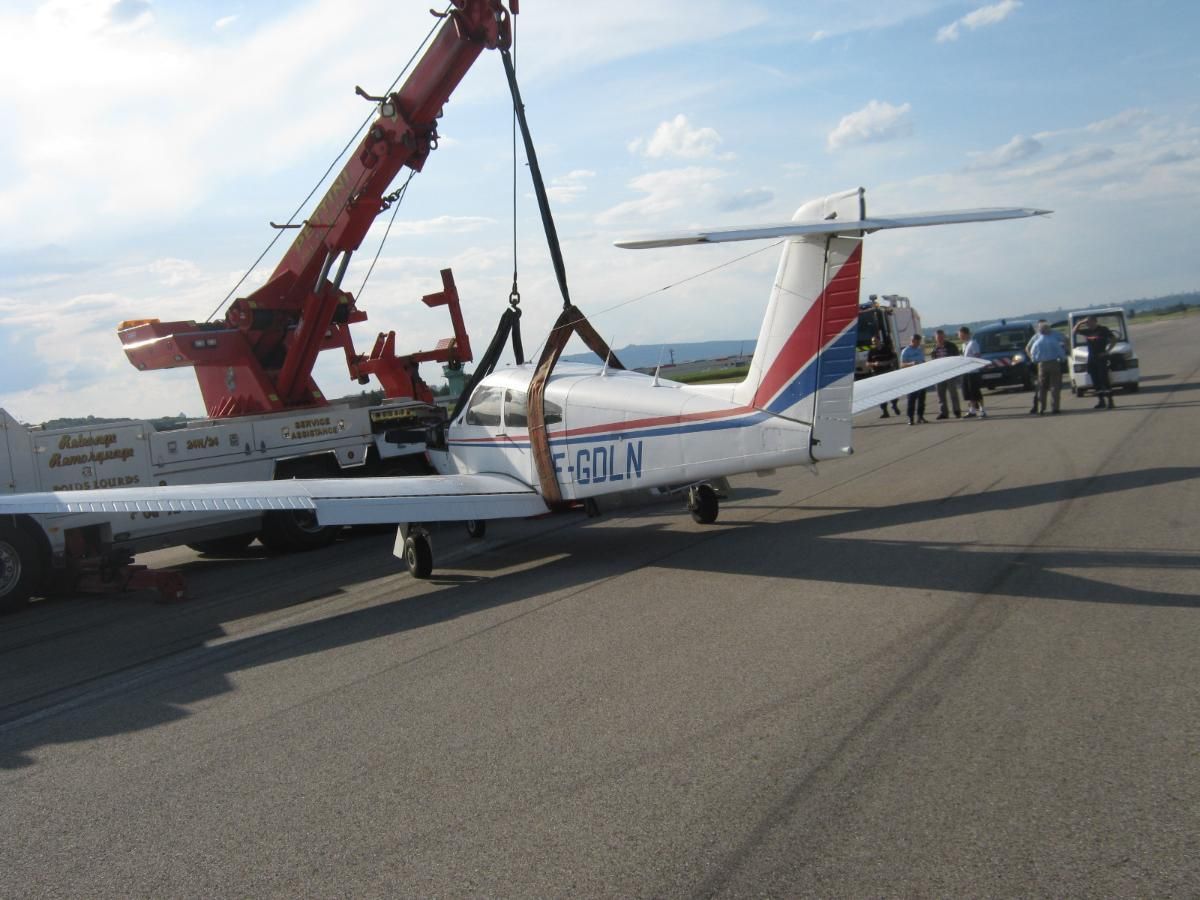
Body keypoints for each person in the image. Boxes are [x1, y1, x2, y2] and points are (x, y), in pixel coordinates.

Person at [1073, 314, 1117, 409]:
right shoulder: (1088, 331)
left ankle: (1110, 400)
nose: (1088, 324)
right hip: (1092, 358)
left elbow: (1114, 339)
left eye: (1089, 322)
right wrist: (1080, 322)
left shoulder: (1103, 330)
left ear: (1094, 321)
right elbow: (1074, 332)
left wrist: (1107, 351)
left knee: (1104, 379)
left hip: (1101, 357)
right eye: (1087, 323)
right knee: (1095, 380)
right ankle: (1101, 401)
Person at [1026, 320, 1068, 414]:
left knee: (1042, 387)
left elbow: (1032, 353)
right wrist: (1063, 358)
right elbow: (1060, 352)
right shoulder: (1053, 340)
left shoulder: (1037, 342)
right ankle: (1055, 407)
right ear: (1048, 330)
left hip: (1042, 365)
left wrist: (1034, 361)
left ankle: (1041, 408)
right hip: (1054, 363)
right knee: (1055, 386)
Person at [929, 329, 962, 419]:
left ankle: (957, 411)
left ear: (944, 336)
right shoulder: (934, 348)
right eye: (938, 337)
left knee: (953, 393)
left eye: (941, 337)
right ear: (935, 338)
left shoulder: (952, 346)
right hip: (939, 374)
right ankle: (943, 413)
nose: (940, 339)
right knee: (940, 394)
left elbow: (957, 358)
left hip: (950, 373)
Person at [866, 335, 901, 418]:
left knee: (891, 390)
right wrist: (874, 364)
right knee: (880, 392)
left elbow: (894, 359)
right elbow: (867, 363)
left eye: (875, 341)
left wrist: (886, 363)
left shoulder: (886, 349)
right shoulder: (871, 351)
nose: (874, 342)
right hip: (877, 374)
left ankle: (894, 404)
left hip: (887, 372)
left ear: (879, 340)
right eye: (873, 341)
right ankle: (885, 411)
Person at [958, 326, 987, 418]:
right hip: (966, 372)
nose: (959, 336)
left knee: (975, 392)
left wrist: (971, 363)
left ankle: (983, 410)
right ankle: (972, 410)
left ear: (966, 334)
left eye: (961, 335)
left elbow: (977, 356)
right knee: (968, 392)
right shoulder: (964, 345)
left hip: (973, 372)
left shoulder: (973, 343)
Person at [899, 332, 928, 425]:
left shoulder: (919, 350)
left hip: (921, 376)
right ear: (912, 341)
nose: (918, 343)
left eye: (919, 341)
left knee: (922, 398)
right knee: (912, 398)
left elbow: (923, 360)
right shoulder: (906, 351)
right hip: (911, 377)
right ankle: (910, 418)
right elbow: (901, 364)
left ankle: (920, 416)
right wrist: (911, 363)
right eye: (916, 341)